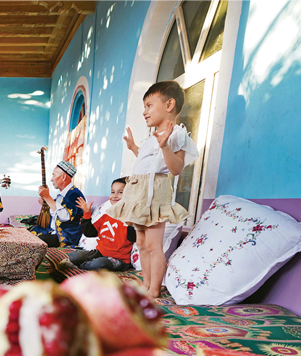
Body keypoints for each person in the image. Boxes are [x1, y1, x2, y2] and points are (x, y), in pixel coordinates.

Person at [107, 81, 199, 298]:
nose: (144, 111)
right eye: (144, 107)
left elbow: (175, 168)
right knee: (140, 242)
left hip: (155, 192)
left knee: (152, 244)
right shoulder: (152, 137)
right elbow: (147, 161)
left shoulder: (177, 134)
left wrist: (165, 145)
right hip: (139, 191)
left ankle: (154, 289)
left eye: (149, 105)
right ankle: (146, 283)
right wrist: (133, 148)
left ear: (169, 105)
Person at [60, 178, 136, 271]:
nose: (115, 195)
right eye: (112, 192)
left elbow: (133, 238)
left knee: (99, 263)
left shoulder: (131, 218)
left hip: (118, 259)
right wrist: (86, 213)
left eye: (120, 192)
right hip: (100, 253)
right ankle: (83, 264)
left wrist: (129, 219)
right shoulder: (106, 216)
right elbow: (90, 233)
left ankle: (79, 266)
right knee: (75, 256)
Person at [27, 160, 85, 247]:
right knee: (28, 232)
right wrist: (46, 201)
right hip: (54, 231)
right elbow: (57, 209)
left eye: (54, 175)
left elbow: (64, 217)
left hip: (66, 237)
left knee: (38, 240)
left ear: (63, 177)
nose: (51, 179)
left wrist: (47, 197)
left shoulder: (75, 194)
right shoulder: (63, 194)